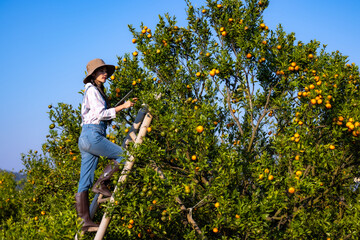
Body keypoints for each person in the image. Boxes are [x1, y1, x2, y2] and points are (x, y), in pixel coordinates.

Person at [75, 58, 136, 232]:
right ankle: (101, 184)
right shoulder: (93, 91)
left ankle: (84, 222)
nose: (105, 74)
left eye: (105, 71)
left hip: (85, 137)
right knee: (124, 156)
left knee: (83, 182)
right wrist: (123, 106)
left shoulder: (92, 91)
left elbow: (97, 114)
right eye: (101, 71)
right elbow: (101, 114)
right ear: (93, 74)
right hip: (92, 135)